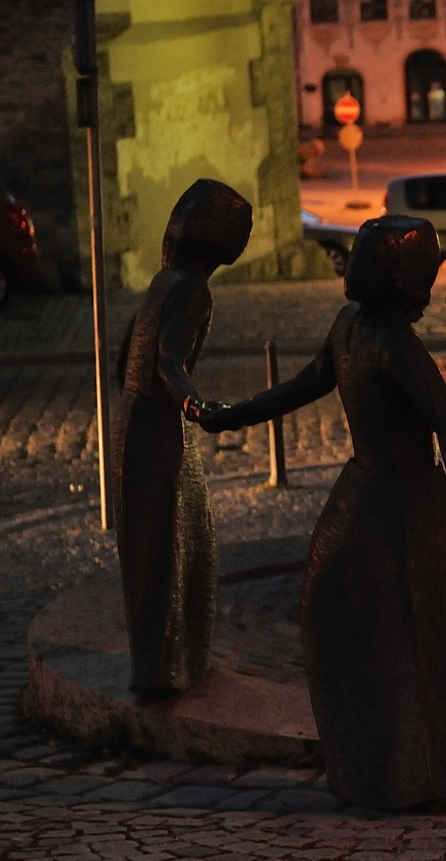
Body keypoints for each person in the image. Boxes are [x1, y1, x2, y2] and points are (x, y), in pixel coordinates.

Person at [201, 215, 446, 809]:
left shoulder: (396, 346)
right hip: (363, 489)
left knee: (405, 636)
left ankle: (410, 778)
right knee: (327, 605)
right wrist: (239, 413)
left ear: (396, 278)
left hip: (407, 504)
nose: (350, 266)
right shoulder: (349, 325)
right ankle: (362, 767)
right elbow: (308, 383)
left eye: (366, 259)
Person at [112, 178, 252, 697]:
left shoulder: (164, 280)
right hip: (160, 428)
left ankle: (163, 665)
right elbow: (168, 361)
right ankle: (166, 670)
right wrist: (196, 405)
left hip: (136, 417)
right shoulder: (192, 289)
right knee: (176, 547)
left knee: (156, 546)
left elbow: (128, 352)